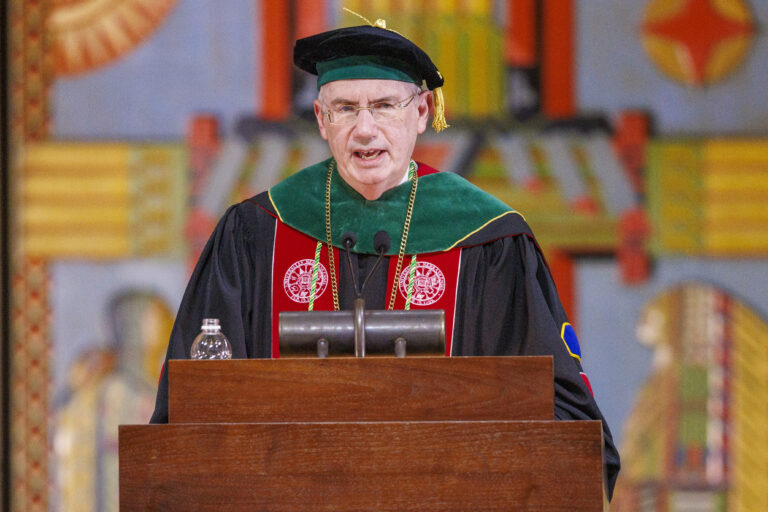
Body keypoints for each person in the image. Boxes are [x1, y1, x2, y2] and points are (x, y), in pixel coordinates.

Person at [150, 22, 620, 498]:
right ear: (321, 119)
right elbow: (192, 410)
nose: (365, 129)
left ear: (421, 112)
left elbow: (563, 421)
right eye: (345, 108)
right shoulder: (256, 232)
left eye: (384, 106)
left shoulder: (489, 241)